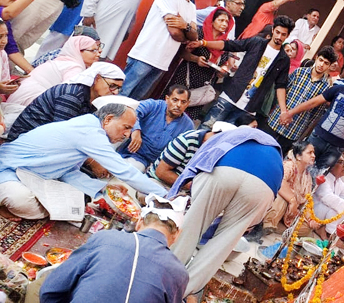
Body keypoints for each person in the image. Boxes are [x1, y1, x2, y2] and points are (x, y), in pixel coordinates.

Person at [168, 127, 283, 301]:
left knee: (193, 224)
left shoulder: (228, 136)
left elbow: (199, 162)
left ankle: (164, 275)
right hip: (262, 188)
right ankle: (180, 293)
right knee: (223, 244)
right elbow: (264, 208)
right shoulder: (276, 157)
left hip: (224, 171)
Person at [0, 103, 168, 220]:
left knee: (74, 203)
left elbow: (69, 172)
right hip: (8, 168)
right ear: (108, 119)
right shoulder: (90, 132)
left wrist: (103, 188)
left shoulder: (89, 126)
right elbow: (124, 171)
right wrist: (165, 196)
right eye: (126, 127)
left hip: (30, 175)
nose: (127, 135)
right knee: (23, 201)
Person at [39, 194, 189, 303]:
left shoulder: (106, 238)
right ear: (177, 235)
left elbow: (50, 290)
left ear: (139, 222)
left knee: (36, 286)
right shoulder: (179, 274)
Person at [121, 0, 202, 99]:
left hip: (162, 61)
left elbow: (194, 36)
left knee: (136, 100)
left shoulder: (191, 7)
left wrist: (185, 26)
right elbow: (175, 32)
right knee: (122, 93)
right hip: (145, 55)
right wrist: (186, 33)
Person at [196, 15, 293, 130]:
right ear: (273, 30)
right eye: (277, 32)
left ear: (287, 36)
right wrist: (204, 43)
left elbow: (281, 85)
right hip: (230, 95)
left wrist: (283, 111)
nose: (279, 36)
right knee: (206, 128)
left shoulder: (284, 59)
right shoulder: (256, 42)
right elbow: (229, 45)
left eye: (283, 34)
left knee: (226, 139)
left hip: (249, 107)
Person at [278, 64, 344, 176]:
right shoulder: (339, 89)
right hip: (318, 137)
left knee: (315, 177)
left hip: (336, 148)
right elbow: (313, 102)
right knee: (295, 165)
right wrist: (290, 113)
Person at [6, 62, 124, 141]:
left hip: (44, 137)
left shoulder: (91, 97)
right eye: (112, 86)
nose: (115, 92)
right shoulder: (73, 95)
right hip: (24, 138)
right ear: (97, 78)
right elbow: (63, 135)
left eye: (118, 88)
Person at [265, 46, 336, 154]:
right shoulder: (299, 72)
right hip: (277, 119)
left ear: (330, 66)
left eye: (326, 63)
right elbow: (282, 91)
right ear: (316, 57)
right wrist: (283, 112)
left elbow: (315, 114)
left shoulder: (326, 87)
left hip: (294, 129)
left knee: (276, 158)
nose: (321, 65)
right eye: (321, 60)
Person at [165, 7, 233, 119]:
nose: (224, 24)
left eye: (227, 22)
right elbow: (182, 53)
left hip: (202, 86)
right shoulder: (199, 36)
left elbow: (223, 63)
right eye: (221, 20)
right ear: (212, 21)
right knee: (171, 109)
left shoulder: (224, 44)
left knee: (187, 118)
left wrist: (222, 70)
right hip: (185, 78)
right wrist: (196, 59)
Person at [147, 118, 253, 190]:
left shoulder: (216, 152)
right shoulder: (187, 140)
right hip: (158, 183)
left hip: (182, 190)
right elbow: (161, 172)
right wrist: (191, 186)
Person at [5, 35, 100, 107]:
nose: (98, 54)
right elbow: (71, 94)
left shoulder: (63, 60)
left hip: (22, 95)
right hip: (32, 99)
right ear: (78, 51)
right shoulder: (74, 67)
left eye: (98, 51)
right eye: (93, 51)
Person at [119, 85, 194, 172]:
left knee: (133, 169)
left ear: (188, 103)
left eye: (183, 102)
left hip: (147, 162)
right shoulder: (154, 105)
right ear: (167, 99)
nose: (178, 105)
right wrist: (136, 130)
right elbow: (131, 111)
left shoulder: (188, 126)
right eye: (175, 100)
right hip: (127, 147)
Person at [0, 0, 54, 75]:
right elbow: (8, 13)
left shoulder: (6, 24)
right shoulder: (4, 14)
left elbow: (12, 51)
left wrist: (33, 73)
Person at [261, 140, 314, 235]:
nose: (313, 156)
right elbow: (279, 181)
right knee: (282, 199)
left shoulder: (307, 177)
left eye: (313, 153)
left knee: (307, 228)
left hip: (290, 212)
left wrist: (310, 219)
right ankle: (267, 223)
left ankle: (273, 227)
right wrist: (292, 200)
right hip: (274, 202)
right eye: (310, 153)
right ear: (298, 156)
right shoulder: (289, 165)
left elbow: (306, 201)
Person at [309, 156, 344, 239]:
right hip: (314, 211)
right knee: (338, 208)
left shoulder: (339, 182)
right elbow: (327, 197)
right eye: (340, 162)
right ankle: (328, 234)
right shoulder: (324, 177)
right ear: (331, 166)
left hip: (324, 214)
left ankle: (326, 231)